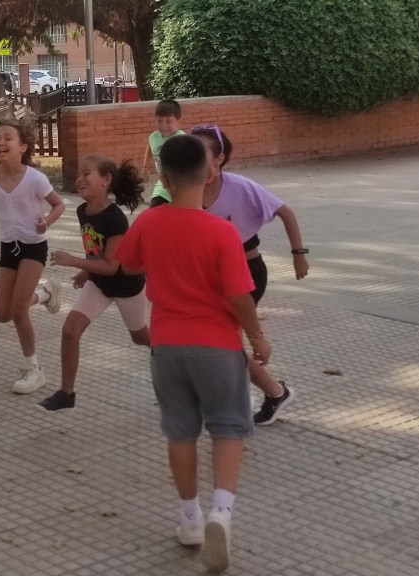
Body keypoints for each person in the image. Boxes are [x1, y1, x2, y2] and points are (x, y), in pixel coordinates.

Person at [116, 135, 271, 573]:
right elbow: (239, 296)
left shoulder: (149, 222)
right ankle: (221, 511)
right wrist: (257, 337)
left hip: (167, 346)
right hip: (218, 346)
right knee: (228, 428)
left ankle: (190, 518)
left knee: (180, 431)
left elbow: (128, 266)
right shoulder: (222, 232)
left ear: (163, 179)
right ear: (208, 174)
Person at [173, 125, 309, 425]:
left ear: (219, 159)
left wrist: (298, 254)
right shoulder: (187, 189)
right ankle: (271, 393)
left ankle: (258, 397)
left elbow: (286, 212)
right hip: (209, 278)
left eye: (200, 151)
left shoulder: (242, 187)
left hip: (247, 274)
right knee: (216, 341)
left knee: (223, 342)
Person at [38, 155, 151, 412]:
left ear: (106, 180)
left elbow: (113, 266)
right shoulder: (83, 211)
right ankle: (66, 394)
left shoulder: (115, 219)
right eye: (79, 174)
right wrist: (86, 272)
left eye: (87, 173)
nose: (80, 179)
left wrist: (73, 262)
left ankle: (171, 351)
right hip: (100, 283)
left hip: (126, 286)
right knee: (70, 330)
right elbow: (96, 253)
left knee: (140, 337)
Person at [0, 119, 66, 395]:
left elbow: (58, 204)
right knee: (1, 314)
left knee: (18, 310)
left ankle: (34, 370)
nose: (1, 143)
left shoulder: (35, 179)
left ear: (23, 147)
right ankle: (46, 293)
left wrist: (47, 221)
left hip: (33, 248)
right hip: (9, 248)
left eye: (8, 138)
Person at [141, 99, 185, 207]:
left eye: (168, 121)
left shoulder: (182, 139)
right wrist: (145, 167)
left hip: (181, 187)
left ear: (179, 121)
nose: (163, 126)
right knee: (154, 211)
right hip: (162, 187)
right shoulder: (154, 136)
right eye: (159, 121)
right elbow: (150, 147)